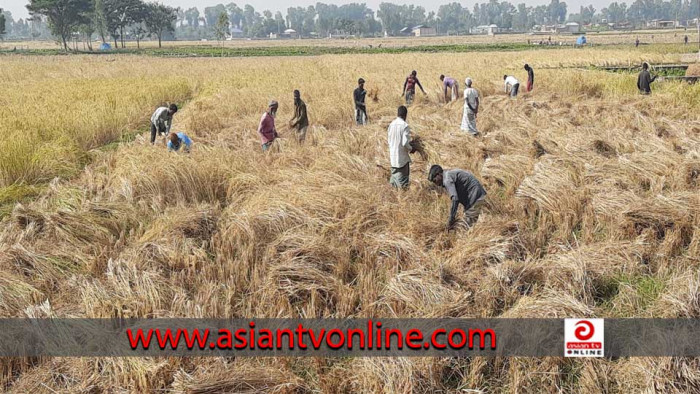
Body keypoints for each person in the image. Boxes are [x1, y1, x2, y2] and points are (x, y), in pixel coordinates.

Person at [428, 165, 487, 230]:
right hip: (476, 195)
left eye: (434, 180)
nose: (435, 183)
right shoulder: (448, 174)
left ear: (439, 175)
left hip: (475, 196)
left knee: (466, 227)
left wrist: (451, 219)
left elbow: (455, 199)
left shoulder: (447, 179)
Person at [387, 105, 415, 189]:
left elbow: (389, 141)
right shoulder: (404, 125)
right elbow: (405, 143)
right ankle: (403, 197)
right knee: (403, 183)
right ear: (405, 115)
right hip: (401, 158)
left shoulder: (391, 125)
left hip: (393, 157)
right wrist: (411, 148)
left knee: (394, 181)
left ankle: (394, 197)